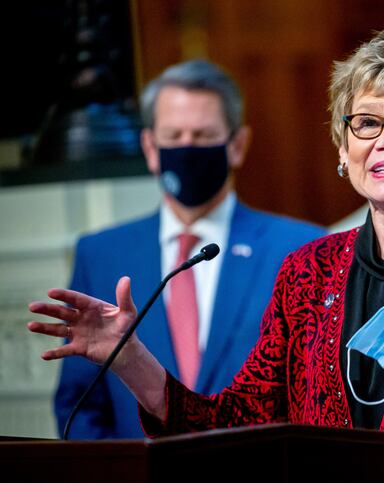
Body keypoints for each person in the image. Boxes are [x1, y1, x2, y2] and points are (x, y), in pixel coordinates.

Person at [30, 27, 384, 445]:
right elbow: (233, 426)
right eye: (365, 123)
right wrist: (130, 358)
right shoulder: (306, 273)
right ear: (343, 148)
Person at [51, 59, 326, 439]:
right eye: (174, 136)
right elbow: (80, 406)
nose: (187, 147)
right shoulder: (99, 254)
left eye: (202, 135)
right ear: (150, 147)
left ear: (238, 145)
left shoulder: (303, 250)